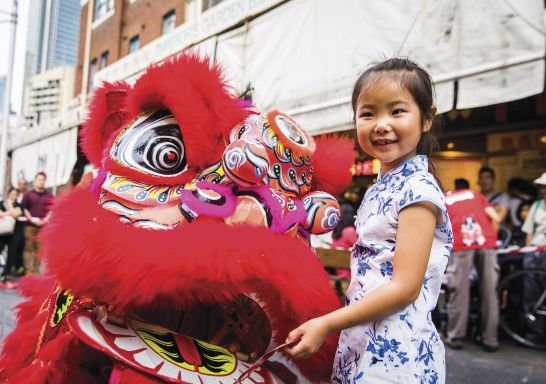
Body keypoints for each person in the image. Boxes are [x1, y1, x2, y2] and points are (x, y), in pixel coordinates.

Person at [285, 58, 453, 383]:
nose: (381, 123)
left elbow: (404, 288)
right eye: (368, 113)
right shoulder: (383, 185)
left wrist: (326, 323)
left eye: (397, 111)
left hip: (395, 356)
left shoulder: (417, 189)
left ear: (427, 118)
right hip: (363, 341)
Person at [443, 178, 501, 352]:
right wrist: (491, 238)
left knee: (459, 290)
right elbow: (496, 217)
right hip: (486, 242)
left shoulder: (443, 199)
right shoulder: (477, 195)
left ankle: (455, 336)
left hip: (461, 243)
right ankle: (490, 339)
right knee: (490, 291)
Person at [21, 172, 53, 275]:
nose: (41, 181)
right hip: (30, 226)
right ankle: (28, 272)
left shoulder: (49, 195)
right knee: (28, 248)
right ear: (35, 180)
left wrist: (46, 219)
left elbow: (52, 209)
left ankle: (36, 272)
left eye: (42, 179)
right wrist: (31, 219)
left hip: (43, 227)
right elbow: (24, 208)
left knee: (39, 250)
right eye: (39, 179)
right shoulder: (28, 194)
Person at [0, 188, 24, 281]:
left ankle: (5, 275)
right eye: (12, 193)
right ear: (9, 194)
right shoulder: (2, 203)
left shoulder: (19, 205)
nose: (14, 196)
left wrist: (9, 206)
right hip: (3, 232)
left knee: (11, 254)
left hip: (15, 233)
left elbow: (17, 213)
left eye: (15, 194)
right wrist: (11, 212)